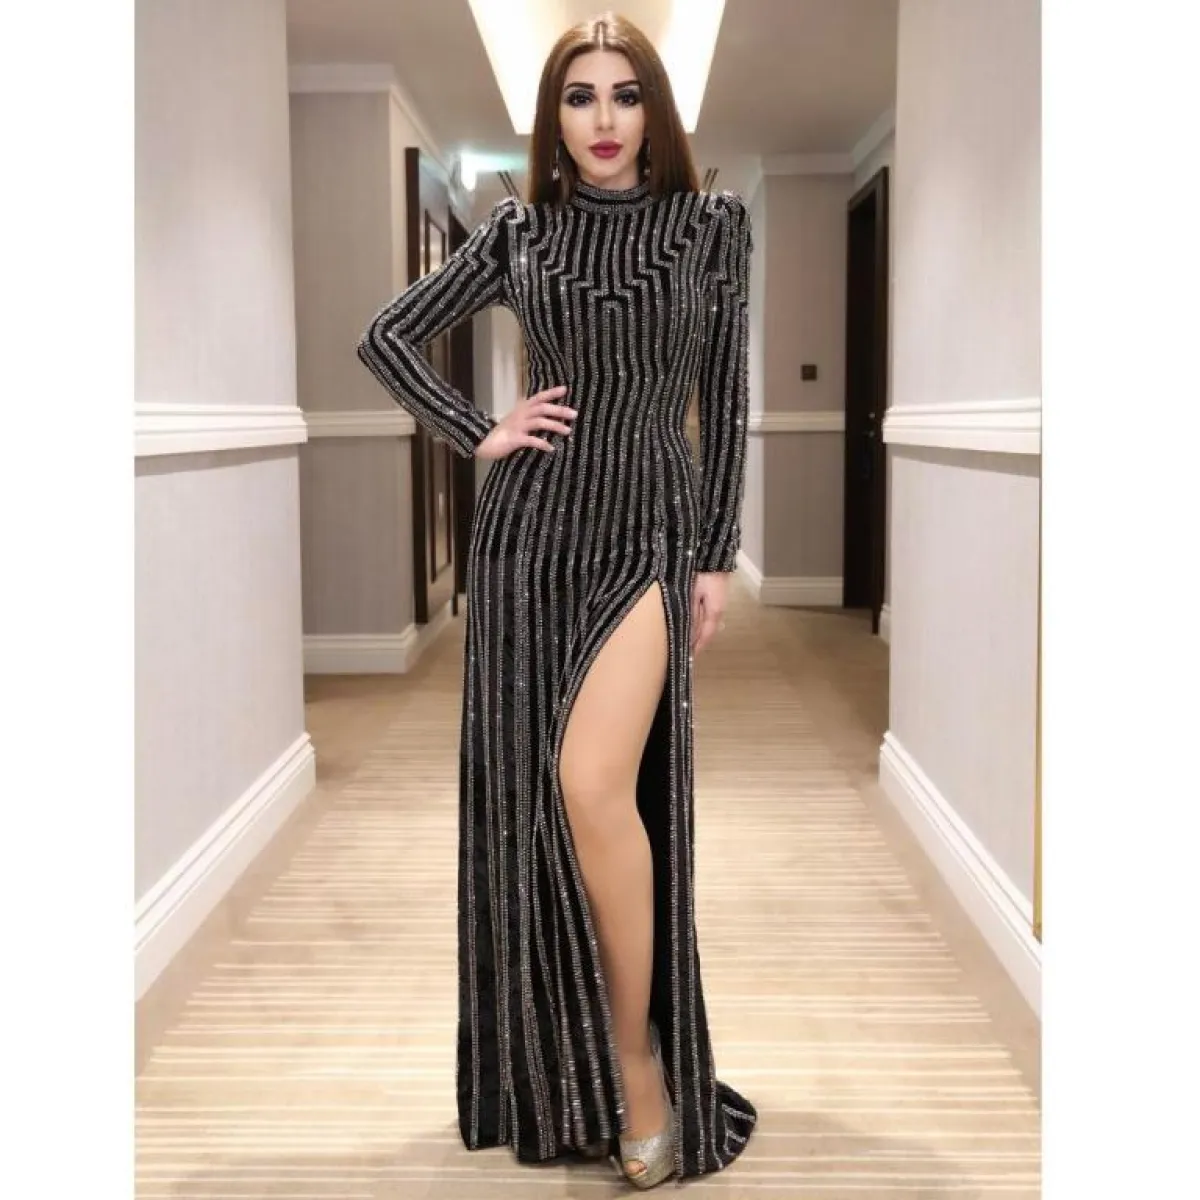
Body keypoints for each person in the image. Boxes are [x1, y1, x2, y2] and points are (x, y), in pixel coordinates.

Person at [357, 11, 756, 1189]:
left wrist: (715, 554)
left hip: (649, 532)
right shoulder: (519, 232)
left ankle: (636, 1062)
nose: (604, 119)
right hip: (532, 539)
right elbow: (386, 336)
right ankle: (570, 1064)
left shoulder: (711, 228)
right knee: (549, 808)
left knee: (593, 783)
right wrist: (479, 428)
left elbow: (726, 398)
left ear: (655, 111)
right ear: (554, 118)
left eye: (625, 95)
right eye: (580, 97)